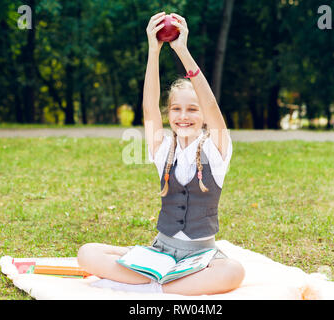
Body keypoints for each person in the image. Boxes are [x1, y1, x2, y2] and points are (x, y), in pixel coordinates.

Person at [77, 11, 245, 296]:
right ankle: (161, 278)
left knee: (234, 272)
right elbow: (149, 108)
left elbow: (212, 106)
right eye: (176, 109)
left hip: (200, 255)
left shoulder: (216, 148)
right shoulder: (164, 148)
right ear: (169, 114)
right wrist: (153, 51)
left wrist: (182, 50)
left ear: (203, 115)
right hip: (160, 251)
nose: (183, 116)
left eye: (193, 109)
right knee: (87, 253)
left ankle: (158, 286)